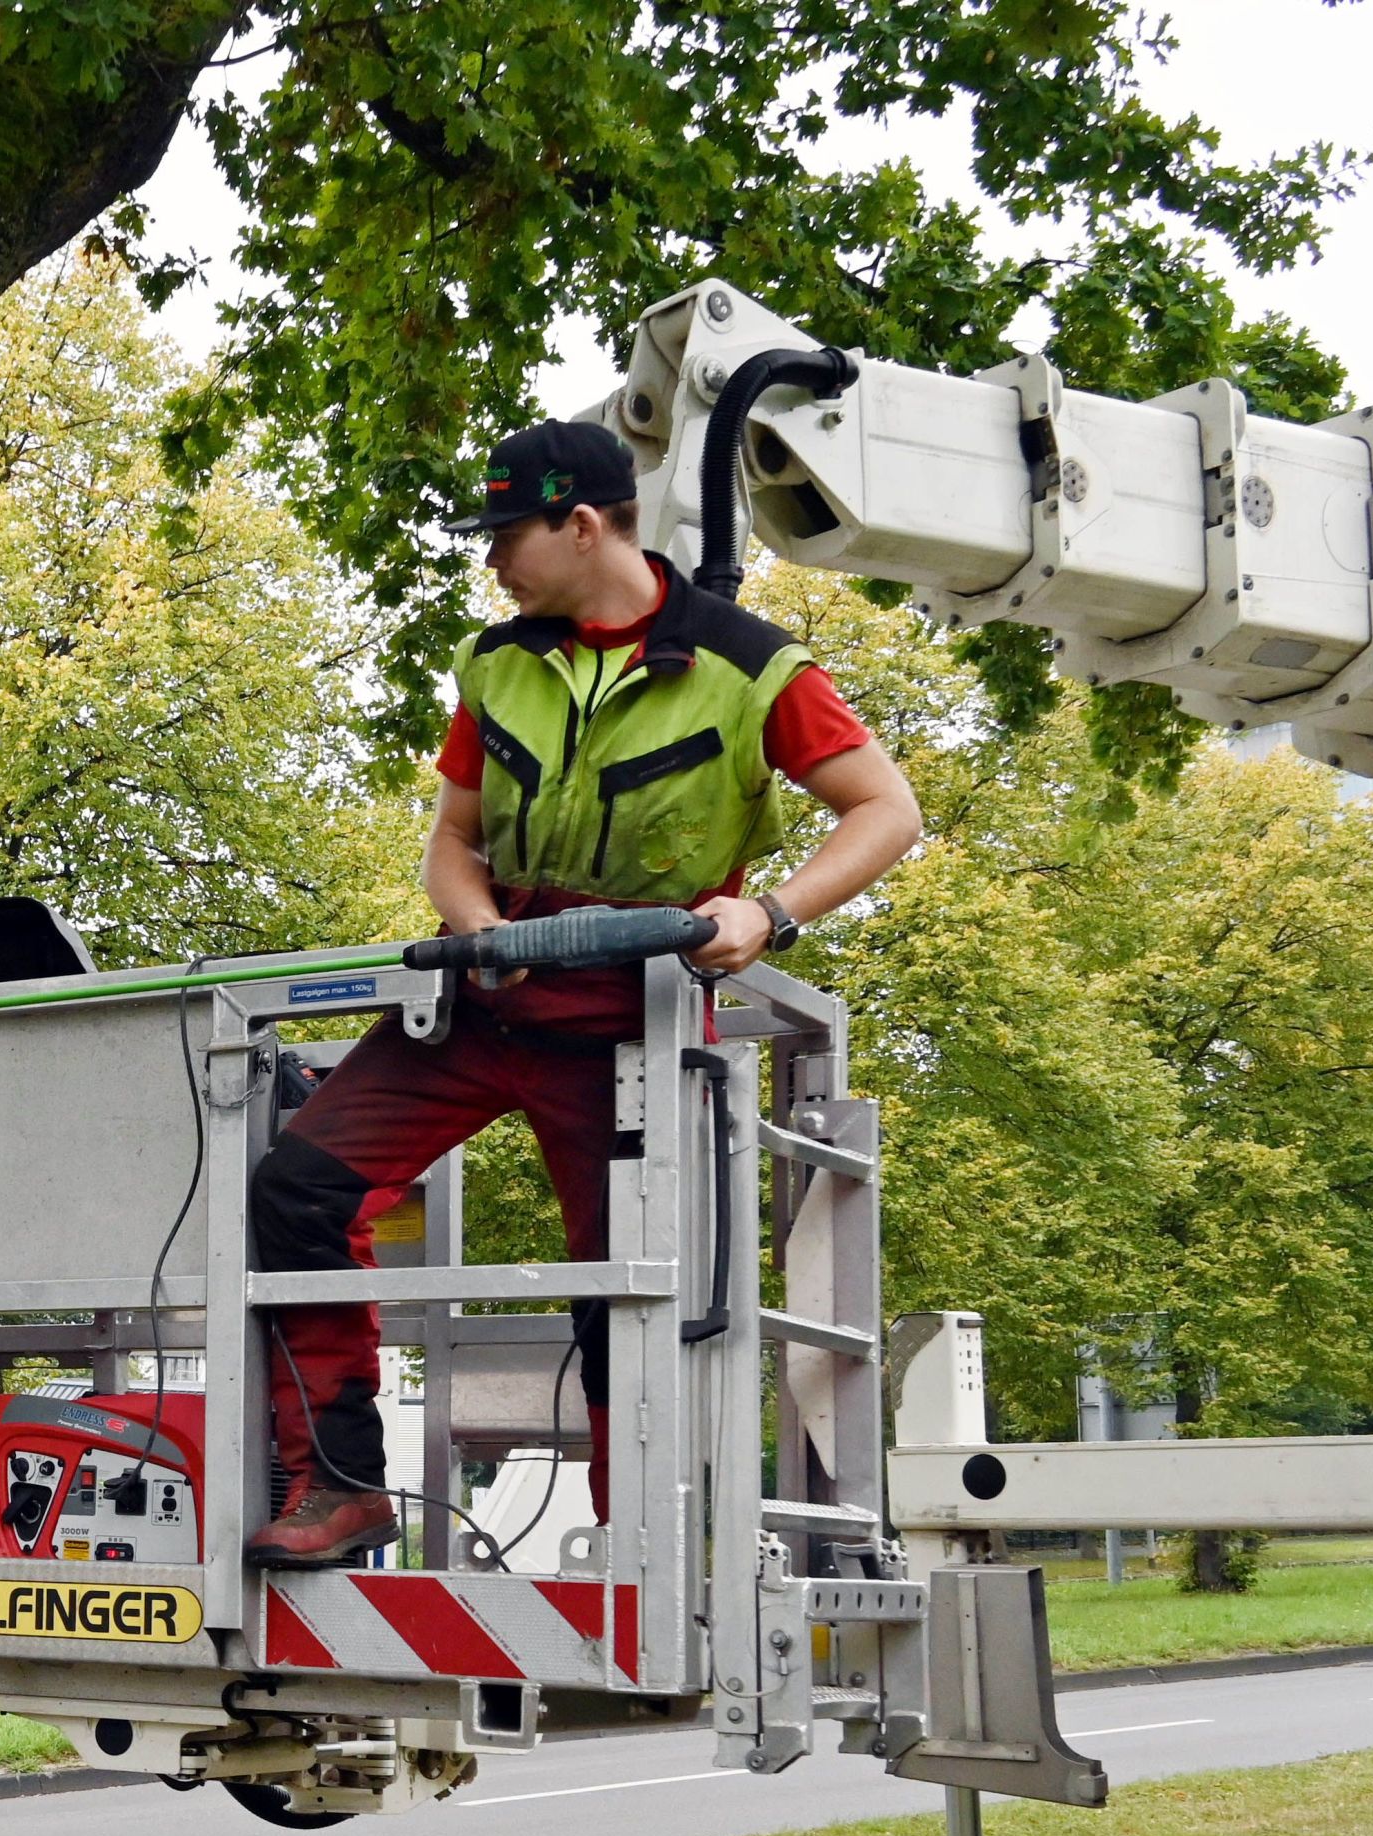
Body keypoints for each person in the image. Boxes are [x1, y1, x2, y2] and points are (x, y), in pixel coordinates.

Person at [247, 418, 923, 1566]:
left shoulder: (751, 668)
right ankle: (343, 1488)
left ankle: (637, 1540)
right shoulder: (498, 663)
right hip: (489, 998)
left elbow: (886, 811)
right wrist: (475, 928)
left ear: (584, 523)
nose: (493, 559)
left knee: (628, 1285)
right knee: (298, 1188)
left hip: (634, 1024)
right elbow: (453, 845)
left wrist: (770, 913)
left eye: (507, 533)